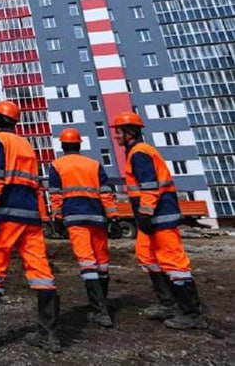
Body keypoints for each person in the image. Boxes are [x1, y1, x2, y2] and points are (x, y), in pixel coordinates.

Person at [0, 100, 61, 353]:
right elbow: (35, 184)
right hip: (30, 217)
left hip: (6, 215)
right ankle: (48, 334)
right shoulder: (26, 145)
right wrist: (43, 217)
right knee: (40, 270)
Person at [113, 110, 206, 329]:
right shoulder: (135, 152)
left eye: (118, 132)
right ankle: (169, 303)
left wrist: (146, 213)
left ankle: (191, 312)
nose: (115, 136)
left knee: (173, 262)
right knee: (147, 257)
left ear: (129, 132)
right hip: (152, 218)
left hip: (160, 217)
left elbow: (150, 187)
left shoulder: (140, 153)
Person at [48, 128, 121, 328]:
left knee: (87, 262)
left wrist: (57, 217)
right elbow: (106, 193)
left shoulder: (57, 165)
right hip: (97, 218)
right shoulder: (94, 164)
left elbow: (56, 195)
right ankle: (102, 303)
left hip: (75, 219)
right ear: (79, 144)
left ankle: (99, 311)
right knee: (102, 262)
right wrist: (114, 217)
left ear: (63, 145)